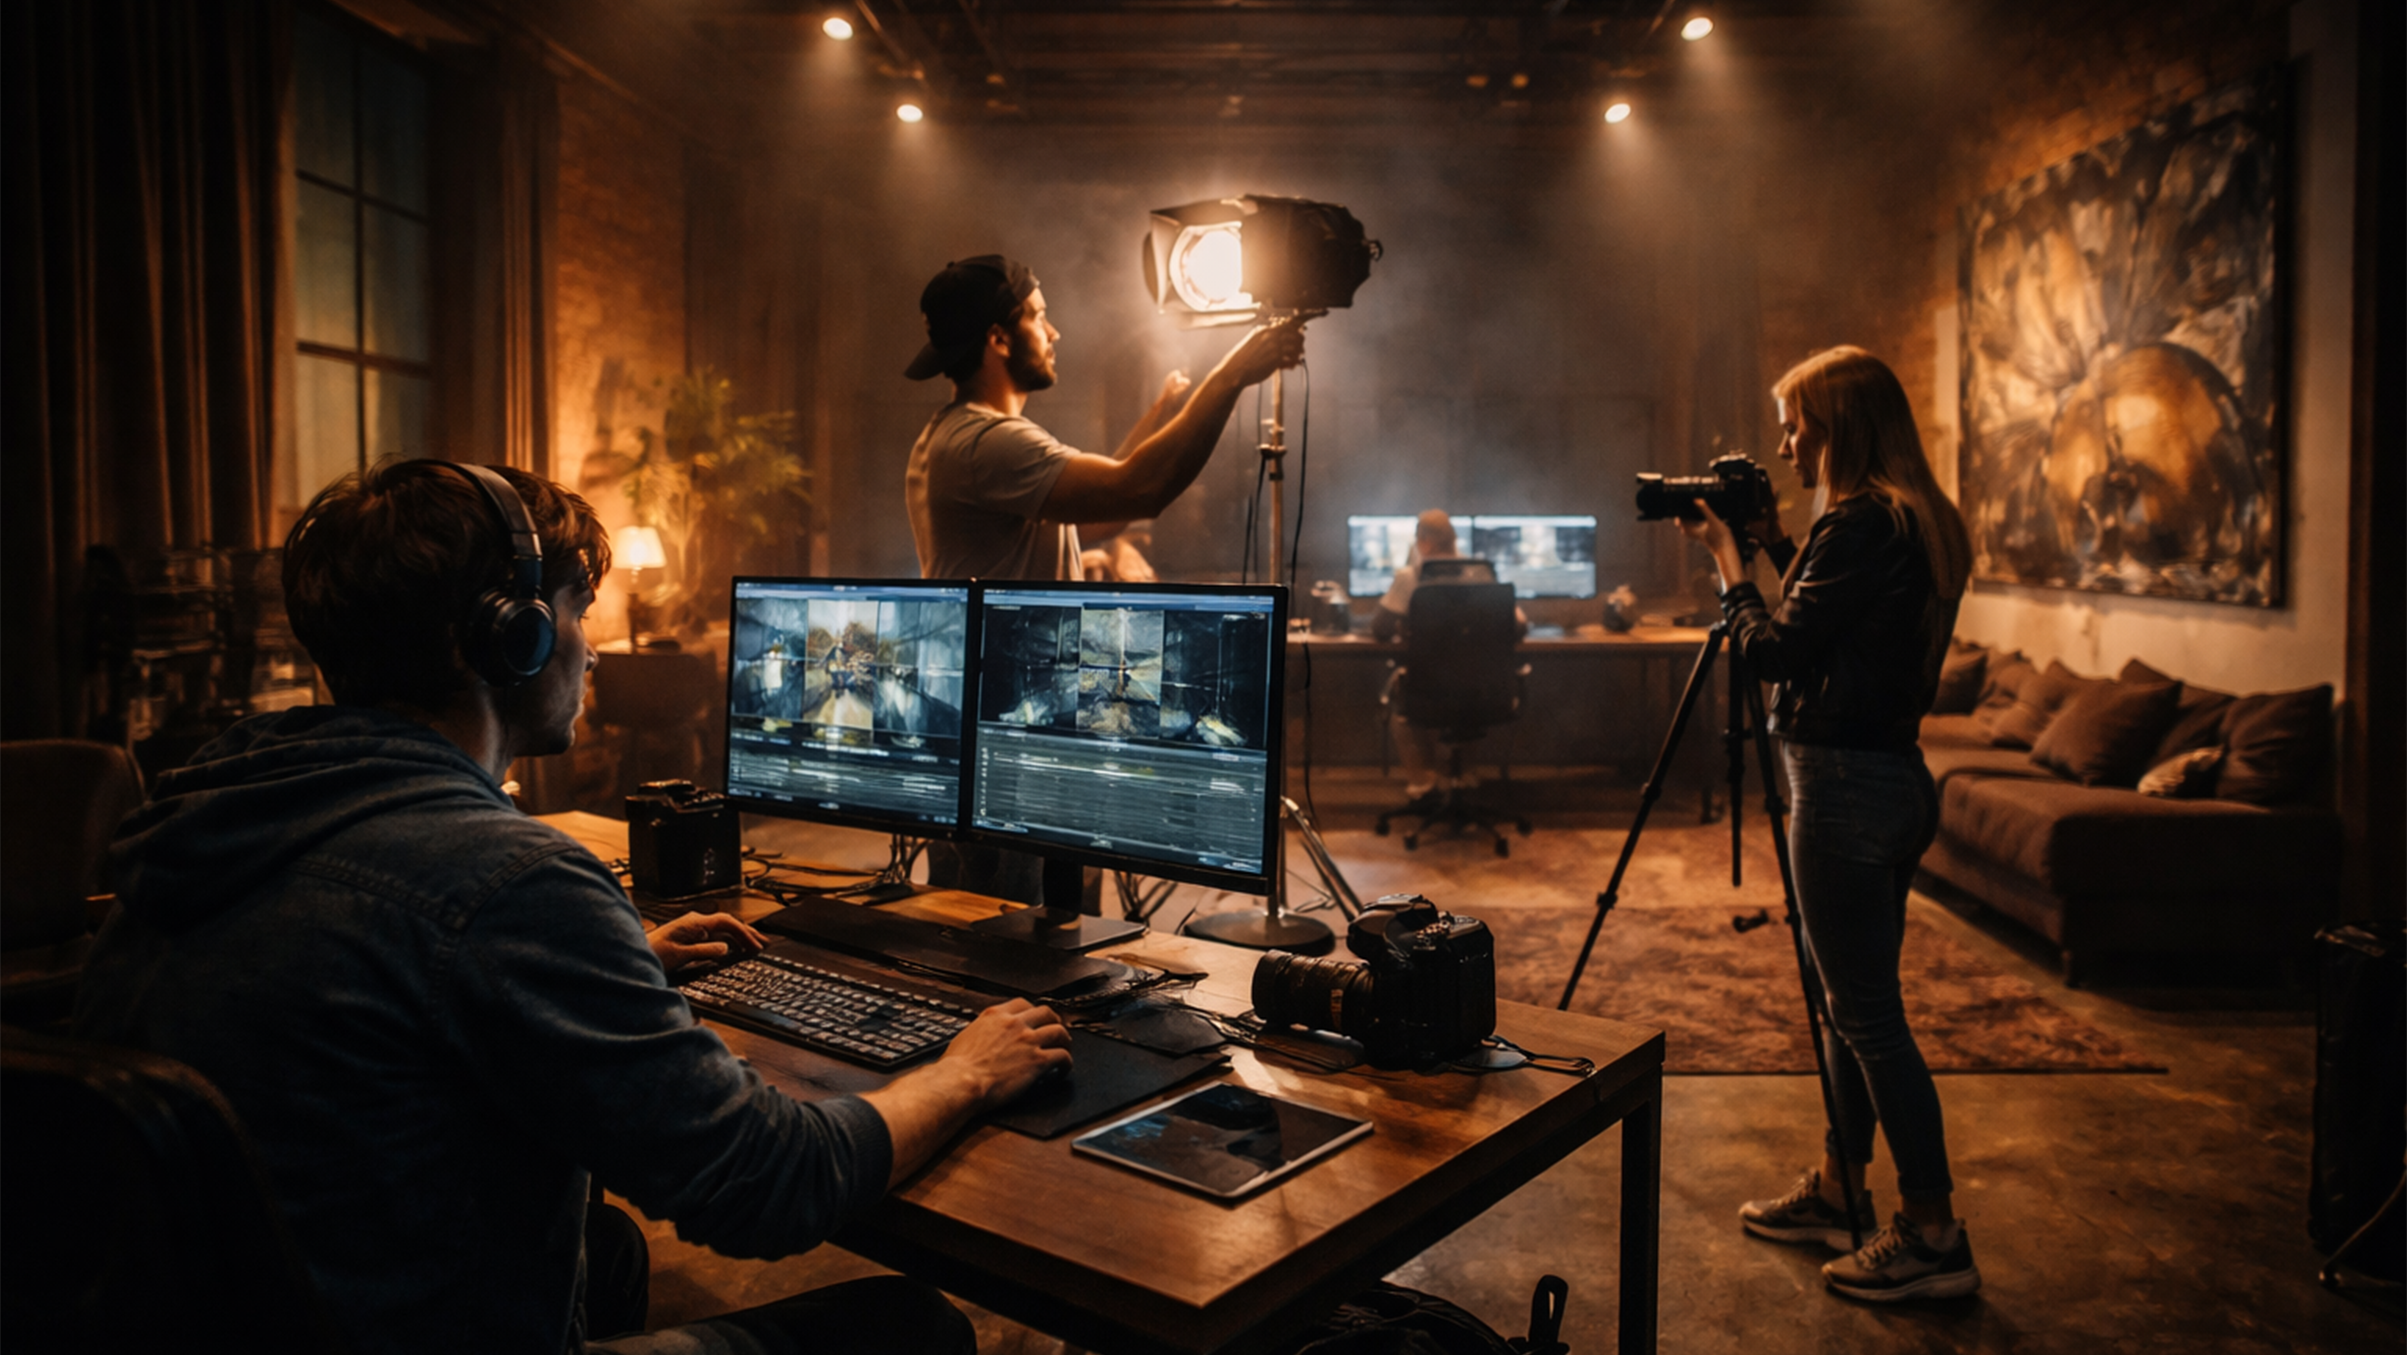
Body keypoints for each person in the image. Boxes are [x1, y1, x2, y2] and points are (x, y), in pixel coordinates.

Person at [74, 458, 1072, 1354]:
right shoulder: (511, 883)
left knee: (606, 1252)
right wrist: (965, 1072)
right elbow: (769, 1183)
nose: (590, 646)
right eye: (579, 607)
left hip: (232, 1318)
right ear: (512, 635)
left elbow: (374, 973)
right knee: (913, 1324)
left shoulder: (208, 815)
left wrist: (609, 957)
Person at [1678, 347, 1981, 1303]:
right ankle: (1842, 1184)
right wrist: (1772, 543)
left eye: (1796, 423)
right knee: (1852, 1008)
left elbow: (1773, 652)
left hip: (1842, 787)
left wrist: (1728, 562)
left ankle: (1932, 1233)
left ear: (1838, 424)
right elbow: (1838, 625)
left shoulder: (1855, 522)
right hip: (1891, 775)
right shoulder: (1913, 519)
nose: (1784, 442)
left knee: (1867, 1019)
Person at [902, 254, 1303, 582]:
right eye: (1039, 318)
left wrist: (1159, 413)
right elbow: (1138, 488)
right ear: (999, 340)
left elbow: (1103, 514)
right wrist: (1232, 375)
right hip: (1000, 678)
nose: (1053, 333)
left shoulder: (957, 435)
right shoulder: (986, 443)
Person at [1372, 510, 1523, 800]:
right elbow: (1519, 626)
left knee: (1397, 694)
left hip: (1426, 693)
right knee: (1465, 698)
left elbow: (1380, 629)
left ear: (1425, 542)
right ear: (1454, 541)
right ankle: (1461, 778)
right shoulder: (1481, 574)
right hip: (1485, 692)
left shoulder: (1410, 578)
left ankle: (1423, 784)